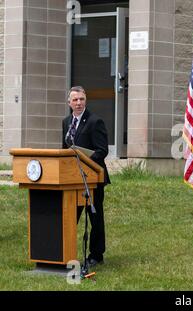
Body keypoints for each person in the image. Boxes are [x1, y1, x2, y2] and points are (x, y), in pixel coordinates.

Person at [62, 86, 110, 268]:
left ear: (86, 100)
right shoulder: (66, 122)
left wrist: (84, 158)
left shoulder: (94, 121)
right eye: (75, 100)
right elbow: (64, 150)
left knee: (94, 217)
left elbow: (102, 151)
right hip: (72, 179)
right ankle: (66, 252)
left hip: (92, 178)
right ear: (69, 103)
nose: (79, 103)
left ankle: (96, 255)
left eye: (81, 99)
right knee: (70, 216)